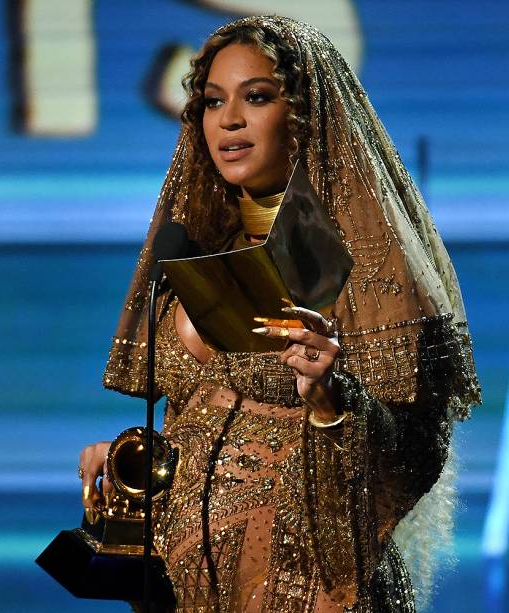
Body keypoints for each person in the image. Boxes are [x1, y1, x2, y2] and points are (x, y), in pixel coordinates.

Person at [79, 15, 481, 612]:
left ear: (304, 116)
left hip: (310, 592)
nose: (230, 120)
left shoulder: (362, 271)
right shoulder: (195, 254)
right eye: (213, 102)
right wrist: (135, 459)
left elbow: (412, 449)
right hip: (190, 587)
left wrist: (331, 402)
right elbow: (204, 412)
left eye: (257, 97)